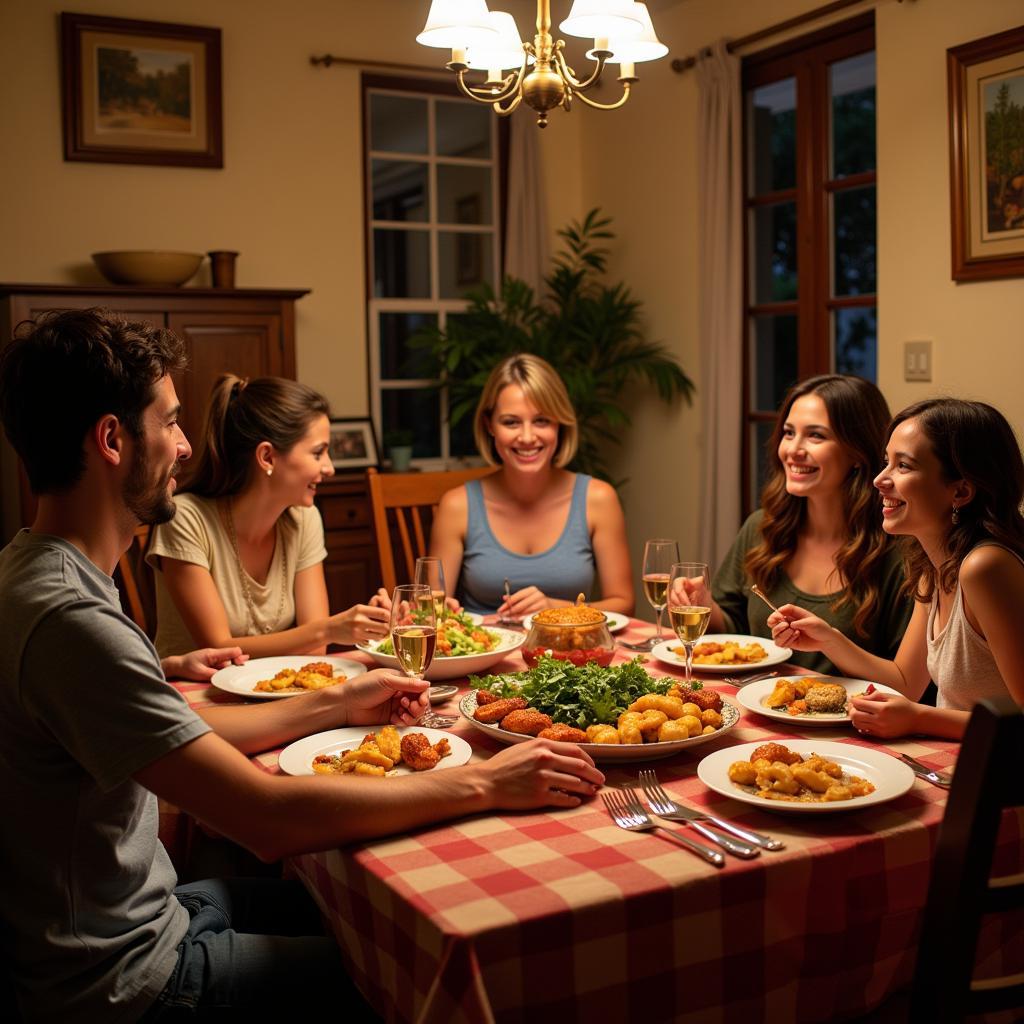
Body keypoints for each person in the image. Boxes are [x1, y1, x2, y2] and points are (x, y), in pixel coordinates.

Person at [0, 309, 605, 1022]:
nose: (188, 446)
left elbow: (184, 735)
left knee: (363, 908)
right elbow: (267, 819)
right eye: (169, 424)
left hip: (146, 912)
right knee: (419, 966)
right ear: (110, 440)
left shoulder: (38, 571)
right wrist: (484, 782)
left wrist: (339, 705)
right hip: (126, 977)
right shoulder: (73, 620)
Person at [767, 398, 1024, 739]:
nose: (879, 480)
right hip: (957, 764)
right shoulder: (933, 564)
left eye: (903, 466)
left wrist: (919, 719)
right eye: (886, 462)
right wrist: (828, 639)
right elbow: (905, 681)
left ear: (960, 490)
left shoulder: (985, 567)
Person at [147, 374, 389, 658]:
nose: (330, 468)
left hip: (275, 690)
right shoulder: (186, 519)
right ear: (267, 458)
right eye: (318, 453)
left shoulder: (303, 519)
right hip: (190, 694)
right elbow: (218, 648)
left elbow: (317, 649)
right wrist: (330, 629)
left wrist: (369, 624)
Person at [696, 375, 911, 674]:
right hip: (757, 706)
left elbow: (910, 681)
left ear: (857, 453)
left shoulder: (897, 552)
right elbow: (736, 635)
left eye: (816, 436)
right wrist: (702, 606)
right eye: (788, 433)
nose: (793, 449)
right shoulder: (761, 528)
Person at [430, 353, 634, 619]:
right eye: (511, 422)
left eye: (541, 420)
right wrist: (442, 611)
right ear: (488, 425)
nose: (527, 437)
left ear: (559, 424)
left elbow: (624, 604)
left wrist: (555, 610)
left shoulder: (598, 499)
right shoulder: (457, 506)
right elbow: (429, 611)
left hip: (570, 654)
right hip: (484, 654)